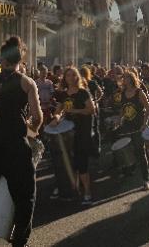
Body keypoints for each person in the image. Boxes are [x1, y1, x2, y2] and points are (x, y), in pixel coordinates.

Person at [0, 36, 42, 247]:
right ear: (21, 58)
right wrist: (32, 131)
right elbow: (38, 117)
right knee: (25, 194)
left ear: (3, 58)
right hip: (14, 146)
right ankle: (20, 241)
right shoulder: (26, 82)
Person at [52, 67, 96, 204]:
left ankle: (88, 192)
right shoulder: (63, 94)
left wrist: (75, 110)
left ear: (77, 77)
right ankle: (72, 188)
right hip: (68, 134)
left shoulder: (83, 93)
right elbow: (58, 110)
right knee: (69, 162)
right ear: (64, 78)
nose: (70, 78)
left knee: (82, 163)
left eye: (73, 75)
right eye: (68, 75)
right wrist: (57, 117)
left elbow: (91, 110)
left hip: (82, 132)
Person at [117, 70, 149, 190]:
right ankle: (129, 168)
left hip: (138, 126)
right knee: (127, 150)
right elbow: (122, 109)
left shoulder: (139, 92)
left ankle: (146, 180)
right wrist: (119, 119)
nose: (125, 79)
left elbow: (148, 109)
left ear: (132, 79)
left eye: (127, 77)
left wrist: (145, 123)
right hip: (127, 126)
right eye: (124, 78)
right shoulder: (123, 92)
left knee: (141, 152)